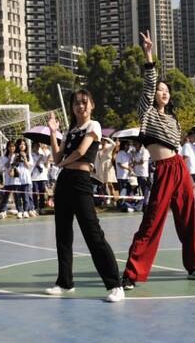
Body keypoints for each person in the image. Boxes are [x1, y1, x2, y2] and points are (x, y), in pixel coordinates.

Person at [121, 31, 195, 291]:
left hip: (180, 167)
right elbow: (149, 85)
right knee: (152, 220)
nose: (163, 92)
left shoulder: (173, 120)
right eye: (160, 89)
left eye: (167, 90)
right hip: (163, 170)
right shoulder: (146, 113)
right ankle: (132, 273)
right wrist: (149, 55)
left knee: (187, 218)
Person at [45, 89, 124, 303]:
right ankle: (64, 282)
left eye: (84, 102)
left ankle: (115, 284)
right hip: (64, 182)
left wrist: (60, 164)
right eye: (76, 103)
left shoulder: (94, 126)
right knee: (62, 234)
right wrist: (53, 132)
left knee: (93, 233)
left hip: (81, 182)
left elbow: (80, 153)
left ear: (91, 105)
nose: (80, 106)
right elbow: (56, 155)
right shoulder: (71, 130)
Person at [13, 138, 35, 218]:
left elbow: (29, 166)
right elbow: (12, 166)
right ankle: (19, 211)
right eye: (21, 144)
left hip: (26, 178)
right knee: (17, 196)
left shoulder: (28, 155)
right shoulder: (14, 155)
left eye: (24, 144)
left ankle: (26, 210)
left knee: (26, 196)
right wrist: (15, 159)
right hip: (16, 179)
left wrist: (25, 157)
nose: (22, 146)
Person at [31, 142, 50, 214]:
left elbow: (46, 164)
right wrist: (39, 159)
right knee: (35, 193)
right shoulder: (31, 156)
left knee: (42, 193)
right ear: (32, 148)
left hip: (42, 176)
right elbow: (34, 165)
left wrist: (47, 159)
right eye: (35, 147)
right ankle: (36, 207)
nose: (37, 148)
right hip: (34, 177)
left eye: (37, 147)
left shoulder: (42, 155)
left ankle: (42, 207)